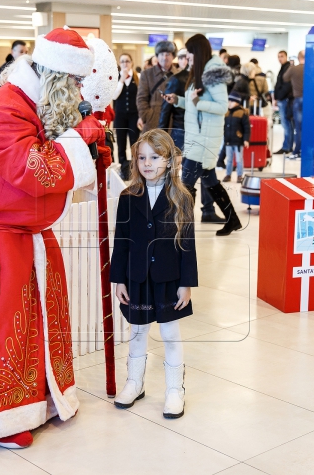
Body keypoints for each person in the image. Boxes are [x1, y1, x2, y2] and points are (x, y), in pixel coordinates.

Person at [0, 27, 105, 449]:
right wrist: (79, 140)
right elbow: (31, 168)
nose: (77, 91)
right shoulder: (5, 108)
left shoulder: (33, 105)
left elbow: (50, 143)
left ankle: (38, 399)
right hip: (1, 242)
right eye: (73, 83)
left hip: (30, 237)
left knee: (36, 329)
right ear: (55, 78)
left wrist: (85, 140)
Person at [110, 129, 197, 419]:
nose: (147, 163)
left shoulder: (181, 198)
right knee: (137, 333)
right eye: (142, 157)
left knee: (170, 334)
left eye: (155, 157)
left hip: (168, 279)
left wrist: (186, 283)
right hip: (137, 278)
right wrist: (119, 277)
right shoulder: (128, 197)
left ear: (170, 160)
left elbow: (188, 243)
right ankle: (134, 382)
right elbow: (121, 240)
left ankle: (175, 390)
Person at [163, 34, 242, 236]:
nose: (187, 55)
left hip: (204, 139)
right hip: (198, 137)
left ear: (198, 52)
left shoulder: (212, 76)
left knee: (186, 184)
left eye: (190, 51)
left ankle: (180, 228)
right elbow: (194, 103)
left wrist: (199, 103)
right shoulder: (199, 73)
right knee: (210, 182)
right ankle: (232, 219)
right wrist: (178, 101)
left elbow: (222, 106)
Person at [137, 40, 179, 133]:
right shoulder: (147, 74)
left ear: (173, 56)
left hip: (173, 123)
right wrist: (147, 116)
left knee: (171, 147)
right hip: (152, 122)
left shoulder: (179, 74)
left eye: (168, 54)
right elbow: (141, 98)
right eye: (161, 54)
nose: (164, 57)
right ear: (157, 56)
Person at [113, 52, 140, 180]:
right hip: (120, 116)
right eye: (122, 61)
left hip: (134, 116)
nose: (125, 63)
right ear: (119, 63)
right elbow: (114, 96)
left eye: (127, 61)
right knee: (121, 143)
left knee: (135, 143)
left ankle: (135, 170)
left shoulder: (137, 77)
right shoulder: (116, 78)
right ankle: (124, 170)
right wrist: (121, 81)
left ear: (131, 63)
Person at [158, 48, 190, 151]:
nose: (184, 61)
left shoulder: (199, 78)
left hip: (188, 130)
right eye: (180, 58)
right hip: (180, 128)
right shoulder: (176, 79)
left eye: (186, 58)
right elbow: (166, 109)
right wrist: (161, 134)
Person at [222, 91, 250, 183]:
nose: (229, 103)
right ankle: (228, 174)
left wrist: (246, 139)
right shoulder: (226, 112)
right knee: (229, 159)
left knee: (239, 160)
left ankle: (239, 175)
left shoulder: (242, 113)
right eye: (228, 101)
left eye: (231, 101)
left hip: (238, 141)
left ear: (237, 102)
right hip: (228, 141)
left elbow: (246, 128)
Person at [283, 50, 305, 159]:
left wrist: (291, 66)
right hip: (310, 101)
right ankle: (305, 151)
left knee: (299, 128)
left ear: (298, 57)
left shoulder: (294, 69)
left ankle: (297, 151)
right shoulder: (311, 68)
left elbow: (285, 78)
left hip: (298, 100)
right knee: (308, 127)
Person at [274, 50, 294, 155]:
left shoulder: (287, 68)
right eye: (278, 56)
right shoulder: (283, 68)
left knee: (287, 124)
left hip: (285, 100)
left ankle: (287, 147)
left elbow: (286, 85)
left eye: (281, 56)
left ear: (286, 56)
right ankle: (287, 146)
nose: (280, 58)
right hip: (283, 99)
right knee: (287, 124)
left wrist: (279, 97)